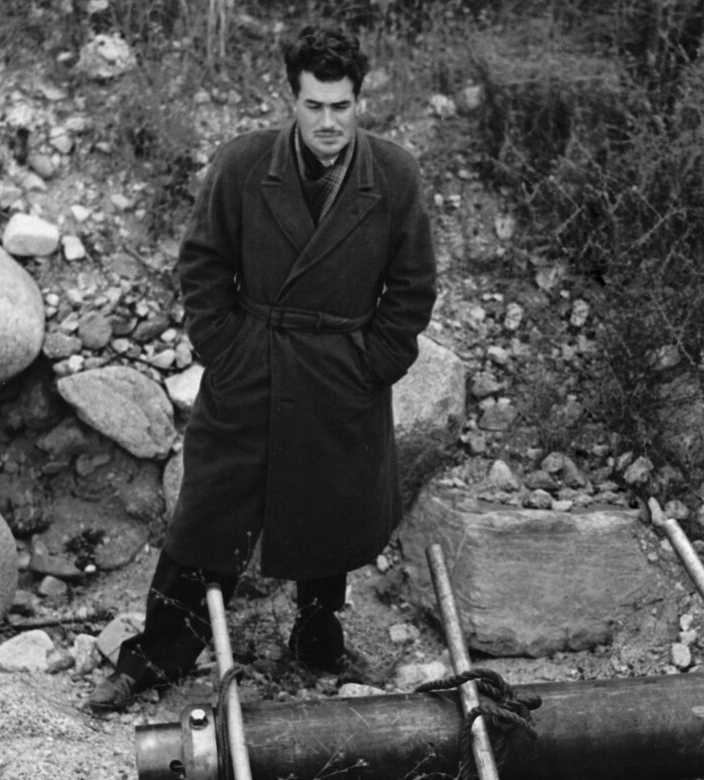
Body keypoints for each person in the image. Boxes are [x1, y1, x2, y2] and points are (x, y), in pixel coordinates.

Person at [89, 24, 437, 710]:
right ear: (293, 100)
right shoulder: (244, 165)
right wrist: (226, 347)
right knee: (206, 511)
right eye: (315, 105)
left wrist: (373, 363)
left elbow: (413, 286)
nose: (328, 122)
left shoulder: (394, 175)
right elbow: (203, 263)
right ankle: (157, 654)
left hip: (341, 370)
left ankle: (316, 640)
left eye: (341, 106)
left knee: (329, 508)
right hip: (253, 362)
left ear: (359, 101)